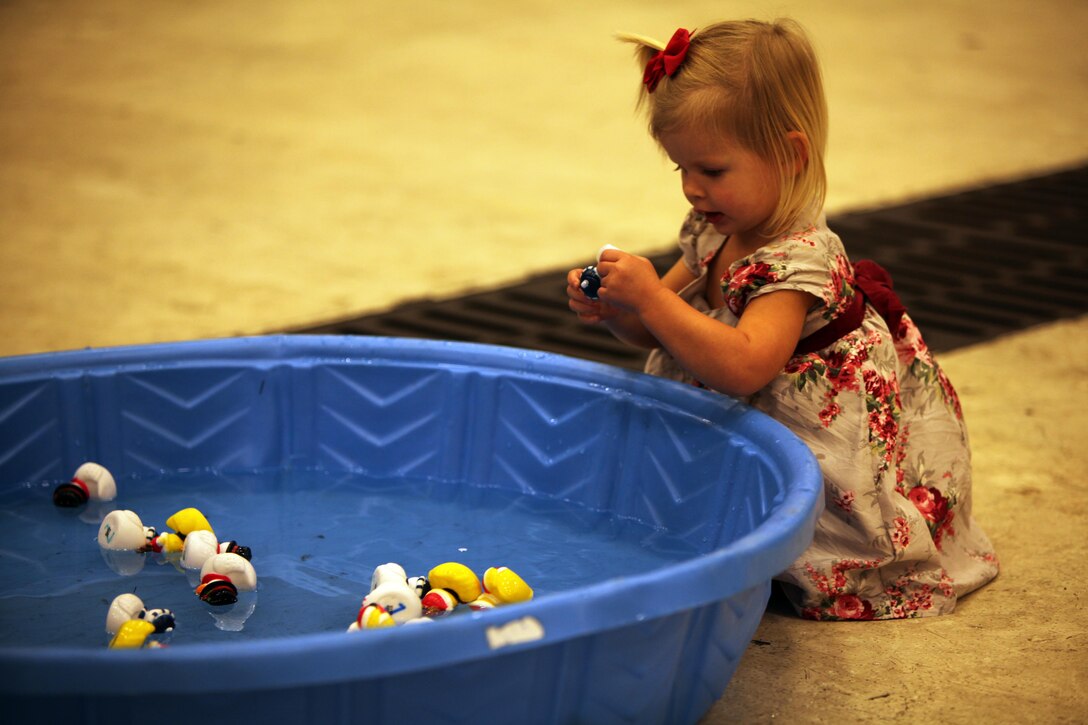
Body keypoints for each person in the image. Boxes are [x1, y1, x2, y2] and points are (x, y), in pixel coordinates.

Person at [566, 19, 999, 619]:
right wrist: (618, 309)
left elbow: (744, 367)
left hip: (810, 436)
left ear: (790, 154)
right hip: (744, 409)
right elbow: (659, 328)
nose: (692, 188)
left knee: (801, 546)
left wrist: (652, 299)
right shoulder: (717, 229)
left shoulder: (798, 261)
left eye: (711, 170)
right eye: (680, 169)